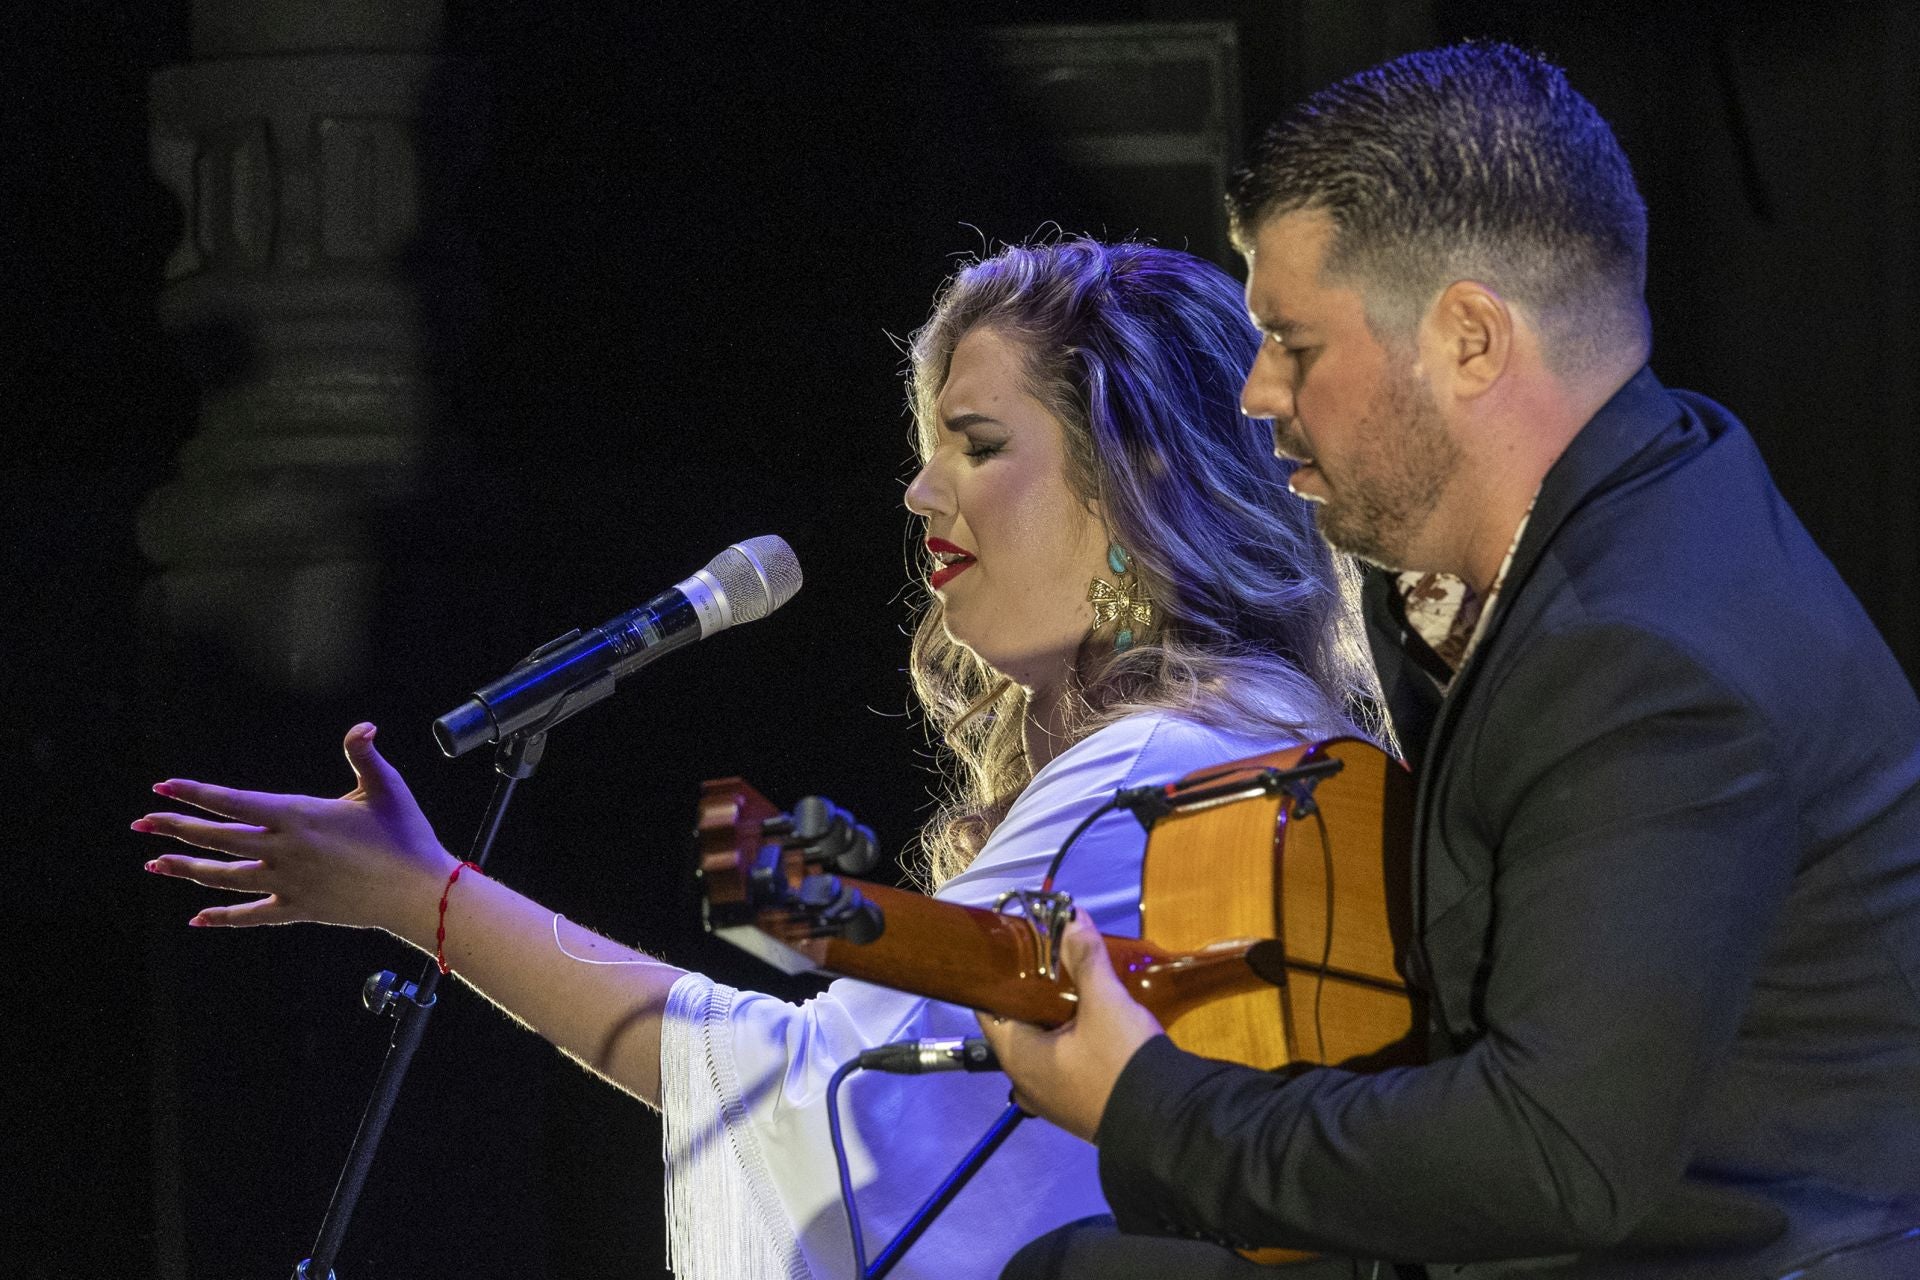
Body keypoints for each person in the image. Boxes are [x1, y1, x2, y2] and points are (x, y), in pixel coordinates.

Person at [135, 239, 1383, 1280]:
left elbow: (812, 1097)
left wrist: (424, 896)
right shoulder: (1270, 734)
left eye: (980, 444)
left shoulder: (1151, 770)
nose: (919, 493)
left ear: (1136, 473)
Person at [982, 42, 1920, 1280]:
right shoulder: (1626, 484)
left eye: (1293, 341)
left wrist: (1151, 1101)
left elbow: (1553, 1158)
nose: (1256, 389)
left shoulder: (1643, 653)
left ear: (1470, 338)